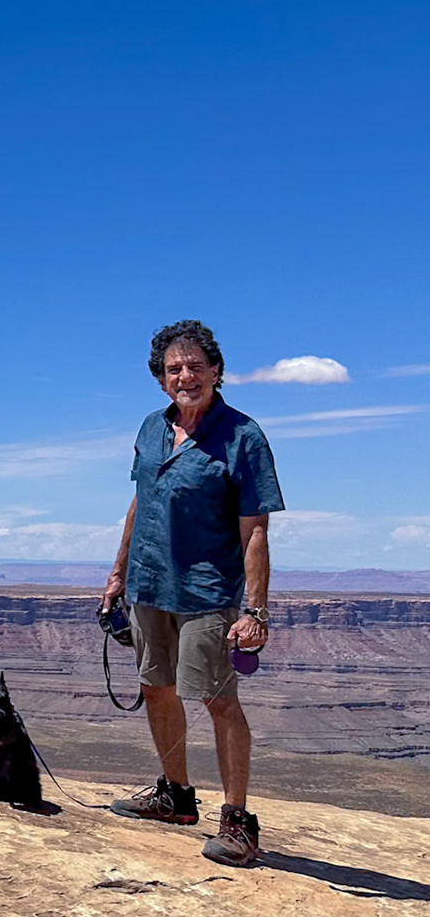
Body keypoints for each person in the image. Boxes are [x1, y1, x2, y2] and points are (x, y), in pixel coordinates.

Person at [101, 319, 284, 866]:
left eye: (195, 367)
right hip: (149, 584)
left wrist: (255, 609)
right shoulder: (150, 430)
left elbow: (255, 529)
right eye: (173, 369)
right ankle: (176, 796)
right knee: (156, 687)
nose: (185, 377)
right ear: (161, 380)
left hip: (208, 591)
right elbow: (140, 502)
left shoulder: (242, 437)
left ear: (217, 371)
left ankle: (238, 822)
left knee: (219, 700)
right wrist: (117, 573)